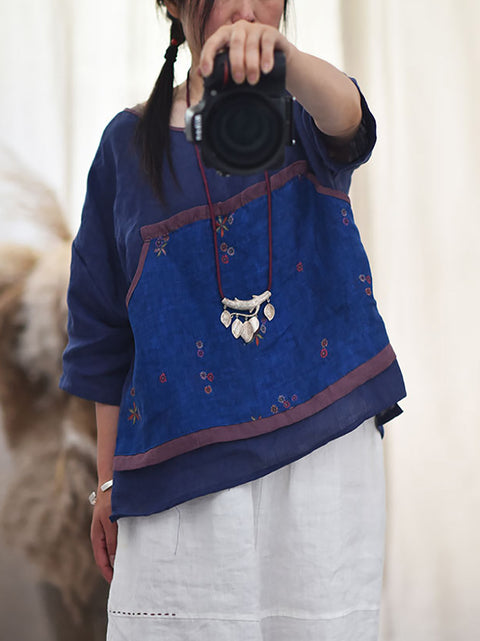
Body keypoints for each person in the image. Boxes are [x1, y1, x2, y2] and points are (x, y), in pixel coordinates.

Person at [60, 1, 406, 639]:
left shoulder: (305, 107)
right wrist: (106, 482)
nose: (246, 6)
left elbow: (353, 122)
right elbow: (103, 339)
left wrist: (289, 65)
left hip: (321, 465)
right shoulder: (123, 148)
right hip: (176, 477)